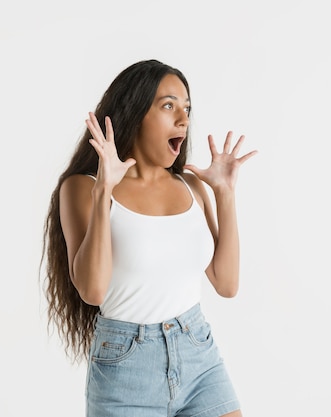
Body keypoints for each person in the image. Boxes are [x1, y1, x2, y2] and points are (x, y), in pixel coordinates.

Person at [41, 59, 257, 416]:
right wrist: (104, 191)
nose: (184, 119)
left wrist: (225, 194)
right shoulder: (83, 187)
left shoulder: (191, 186)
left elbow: (227, 283)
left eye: (186, 108)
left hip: (197, 352)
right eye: (169, 105)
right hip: (126, 368)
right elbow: (93, 291)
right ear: (136, 112)